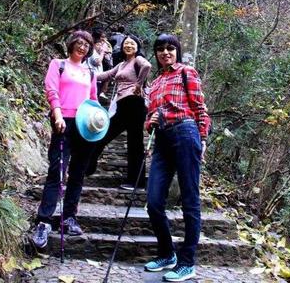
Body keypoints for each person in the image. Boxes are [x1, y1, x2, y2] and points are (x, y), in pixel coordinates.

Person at [143, 34, 211, 282]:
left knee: (190, 199)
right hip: (162, 140)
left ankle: (187, 262)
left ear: (177, 51)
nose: (165, 52)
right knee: (153, 201)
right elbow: (149, 119)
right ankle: (167, 253)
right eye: (160, 49)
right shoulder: (155, 82)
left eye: (170, 48)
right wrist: (149, 123)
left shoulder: (186, 72)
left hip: (185, 132)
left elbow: (200, 108)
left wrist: (202, 139)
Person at [32, 30, 98, 249]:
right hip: (63, 121)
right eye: (79, 43)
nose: (82, 47)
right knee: (57, 171)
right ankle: (43, 220)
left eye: (86, 45)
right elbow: (52, 90)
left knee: (78, 173)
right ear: (71, 44)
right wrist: (57, 114)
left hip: (85, 125)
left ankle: (69, 217)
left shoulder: (90, 72)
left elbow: (93, 99)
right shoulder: (58, 64)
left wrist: (98, 122)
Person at [86, 34, 152, 190]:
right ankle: (89, 166)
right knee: (104, 134)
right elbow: (105, 75)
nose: (128, 46)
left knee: (134, 143)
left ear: (137, 47)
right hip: (123, 104)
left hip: (135, 103)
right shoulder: (121, 65)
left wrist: (138, 84)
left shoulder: (138, 60)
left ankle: (136, 182)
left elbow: (147, 66)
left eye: (132, 43)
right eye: (126, 43)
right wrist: (84, 74)